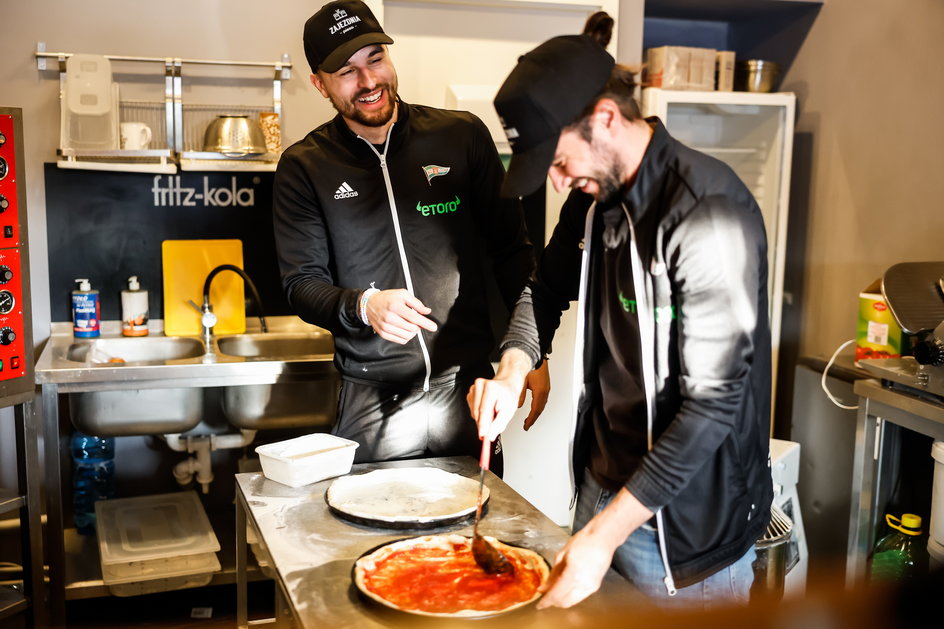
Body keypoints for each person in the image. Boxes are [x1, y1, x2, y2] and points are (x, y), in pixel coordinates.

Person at [467, 26, 773, 609]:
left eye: (558, 161)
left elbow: (714, 404)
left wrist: (604, 536)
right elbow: (543, 289)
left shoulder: (706, 213)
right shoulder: (591, 200)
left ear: (606, 117)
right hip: (602, 492)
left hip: (687, 534)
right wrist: (511, 370)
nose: (557, 182)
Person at [272, 0, 549, 471]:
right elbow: (301, 285)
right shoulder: (305, 167)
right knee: (367, 534)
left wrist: (530, 355)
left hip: (464, 388)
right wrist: (364, 306)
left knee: (469, 532)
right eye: (346, 71)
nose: (368, 82)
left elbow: (512, 252)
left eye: (375, 59)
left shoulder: (461, 136)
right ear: (320, 84)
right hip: (370, 398)